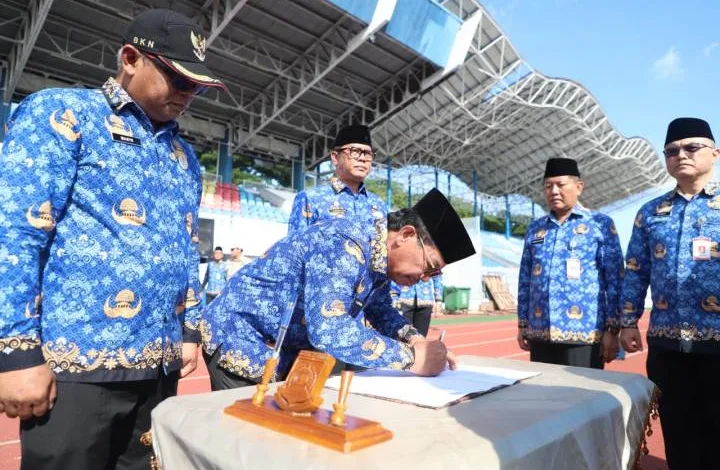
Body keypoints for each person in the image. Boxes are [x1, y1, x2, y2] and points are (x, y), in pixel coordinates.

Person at [0, 9, 225, 469]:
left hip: (158, 368)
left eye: (197, 87)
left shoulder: (184, 156)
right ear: (130, 59)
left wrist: (189, 331)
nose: (188, 94)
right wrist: (16, 352)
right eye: (178, 79)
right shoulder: (63, 114)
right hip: (76, 367)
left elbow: (187, 250)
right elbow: (15, 234)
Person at [199, 189, 475, 390]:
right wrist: (412, 358)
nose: (425, 278)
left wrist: (415, 340)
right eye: (429, 266)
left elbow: (380, 309)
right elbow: (329, 328)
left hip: (285, 351)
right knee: (245, 442)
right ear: (405, 235)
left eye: (434, 274)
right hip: (243, 341)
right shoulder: (343, 243)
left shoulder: (378, 256)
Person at [620, 117, 720, 469]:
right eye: (672, 151)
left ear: (715, 153)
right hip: (667, 345)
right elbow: (636, 270)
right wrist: (627, 321)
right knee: (679, 433)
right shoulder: (650, 212)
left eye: (692, 147)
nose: (681, 155)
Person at [516, 158, 624, 369]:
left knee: (583, 390)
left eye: (560, 185)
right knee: (542, 389)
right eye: (548, 186)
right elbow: (525, 280)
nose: (554, 191)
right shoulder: (536, 229)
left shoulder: (600, 224)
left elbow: (615, 279)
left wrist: (613, 330)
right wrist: (522, 324)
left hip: (585, 333)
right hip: (540, 331)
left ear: (579, 187)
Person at [288, 124, 386, 234]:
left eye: (368, 154)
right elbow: (295, 243)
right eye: (355, 151)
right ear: (335, 157)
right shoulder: (311, 198)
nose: (363, 158)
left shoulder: (378, 204)